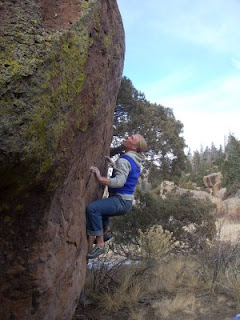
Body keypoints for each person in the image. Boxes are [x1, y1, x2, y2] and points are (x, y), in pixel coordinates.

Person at [86, 134, 147, 259]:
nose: (128, 137)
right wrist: (114, 165)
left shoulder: (125, 160)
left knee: (93, 209)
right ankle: (105, 231)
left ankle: (100, 244)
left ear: (134, 147)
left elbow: (119, 182)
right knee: (102, 207)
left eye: (131, 138)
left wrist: (100, 178)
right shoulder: (134, 159)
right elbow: (126, 173)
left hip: (120, 201)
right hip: (124, 202)